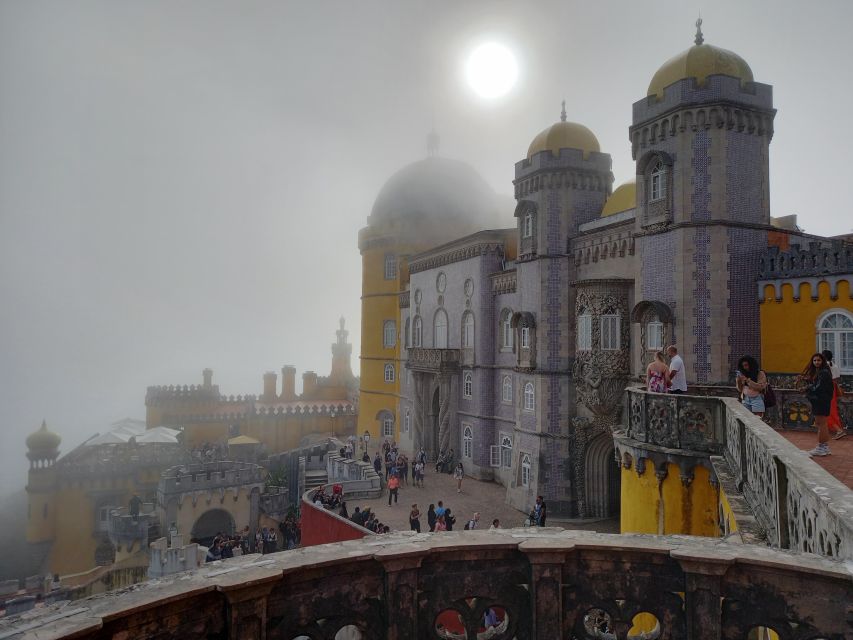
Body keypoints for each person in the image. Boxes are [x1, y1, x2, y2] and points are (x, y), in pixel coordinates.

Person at [800, 352, 835, 457]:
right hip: (822, 400)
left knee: (821, 424)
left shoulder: (823, 372)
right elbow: (817, 385)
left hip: (821, 401)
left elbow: (819, 387)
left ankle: (822, 447)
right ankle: (824, 447)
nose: (816, 362)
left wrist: (807, 389)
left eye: (818, 360)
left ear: (822, 361)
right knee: (822, 424)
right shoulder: (822, 371)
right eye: (814, 360)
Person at [823, 350, 846, 439]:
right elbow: (836, 379)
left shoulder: (824, 366)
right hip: (833, 389)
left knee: (827, 411)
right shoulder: (835, 365)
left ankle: (838, 430)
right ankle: (837, 430)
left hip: (826, 389)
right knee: (832, 410)